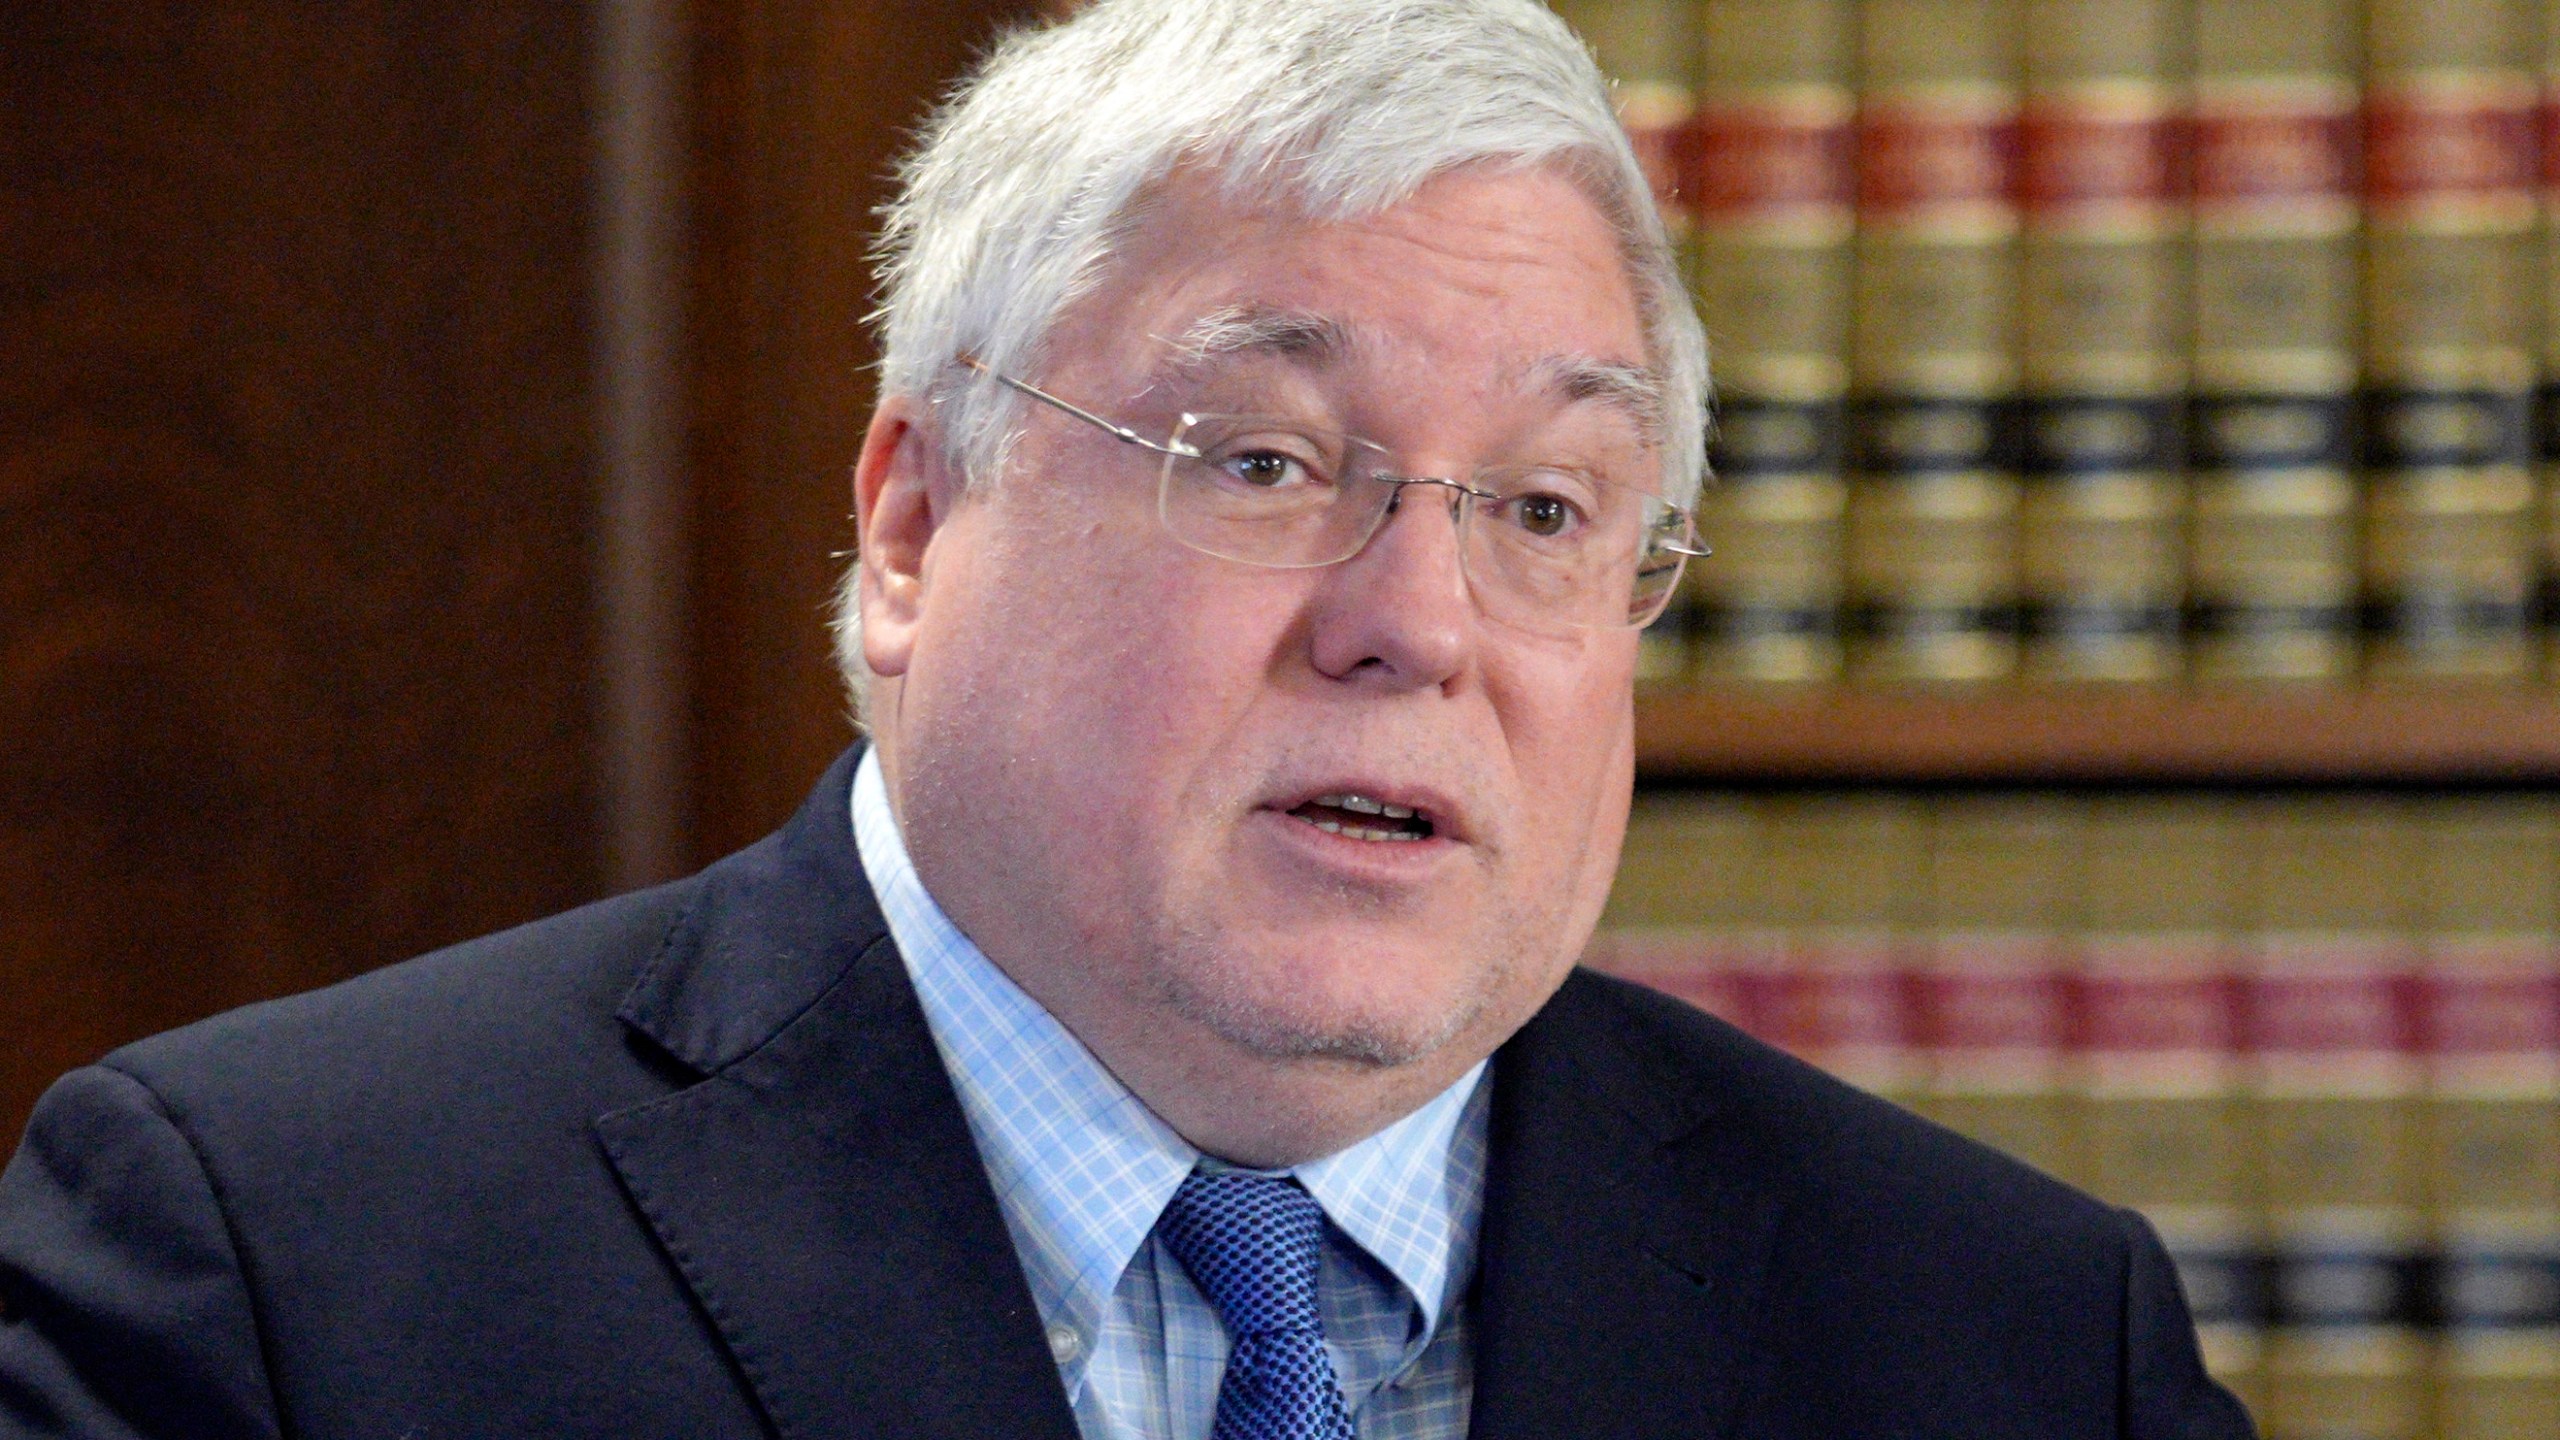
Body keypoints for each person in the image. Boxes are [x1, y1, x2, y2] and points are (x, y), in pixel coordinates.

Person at [0, 1, 2254, 1436]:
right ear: (911, 522)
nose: (1417, 625)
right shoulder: (279, 1271)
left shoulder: (2011, 1344)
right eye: (1265, 464)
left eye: (1551, 507)